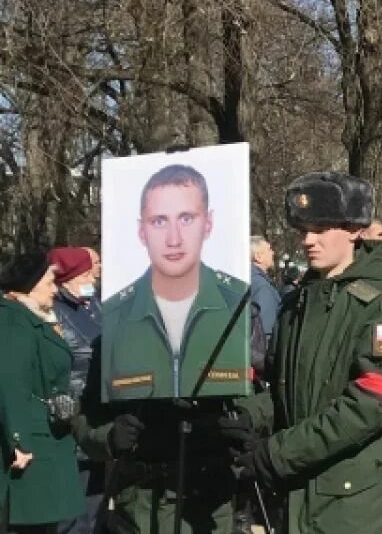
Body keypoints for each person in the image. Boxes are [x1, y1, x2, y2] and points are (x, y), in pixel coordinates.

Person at [220, 172, 382, 534]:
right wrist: (249, 415)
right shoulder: (296, 304)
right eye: (303, 231)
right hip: (298, 491)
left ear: (355, 230)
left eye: (321, 228)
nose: (308, 240)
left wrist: (276, 454)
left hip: (356, 498)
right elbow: (285, 388)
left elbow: (370, 405)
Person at [101, 164, 250, 400]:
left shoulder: (241, 304)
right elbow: (91, 412)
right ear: (142, 231)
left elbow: (268, 393)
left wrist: (249, 417)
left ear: (208, 223)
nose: (174, 239)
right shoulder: (114, 314)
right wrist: (109, 433)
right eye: (159, 221)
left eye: (186, 218)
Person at [1, 253, 86, 534]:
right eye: (49, 281)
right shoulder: (14, 321)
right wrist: (17, 442)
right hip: (31, 446)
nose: (54, 288)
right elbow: (11, 383)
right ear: (30, 284)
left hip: (45, 440)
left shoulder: (28, 318)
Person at [48, 248, 104, 534]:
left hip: (97, 418)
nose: (91, 277)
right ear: (68, 278)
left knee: (94, 509)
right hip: (71, 421)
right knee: (70, 514)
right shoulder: (53, 313)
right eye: (84, 273)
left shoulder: (94, 305)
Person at [249, 236, 281, 339]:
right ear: (258, 257)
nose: (273, 253)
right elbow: (264, 332)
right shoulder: (262, 287)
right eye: (269, 249)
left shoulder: (244, 279)